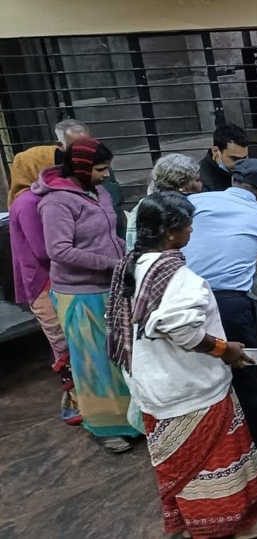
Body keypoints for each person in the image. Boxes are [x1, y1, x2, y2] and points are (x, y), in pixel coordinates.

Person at [106, 191, 257, 539]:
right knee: (216, 461)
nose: (193, 230)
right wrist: (225, 349)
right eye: (189, 224)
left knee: (184, 465)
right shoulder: (178, 279)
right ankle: (234, 525)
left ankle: (196, 522)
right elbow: (180, 327)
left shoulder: (134, 264)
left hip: (153, 382)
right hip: (191, 389)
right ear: (171, 232)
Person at [183, 158, 257, 466]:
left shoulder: (196, 201)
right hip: (230, 307)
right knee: (246, 376)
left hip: (183, 299)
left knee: (200, 377)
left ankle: (206, 456)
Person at [32, 137, 139, 452]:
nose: (106, 175)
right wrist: (112, 264)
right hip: (79, 293)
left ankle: (132, 418)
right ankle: (105, 426)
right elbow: (59, 251)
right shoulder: (56, 202)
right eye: (101, 169)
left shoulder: (98, 192)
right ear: (80, 167)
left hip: (109, 285)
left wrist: (128, 254)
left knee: (119, 355)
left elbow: (109, 235)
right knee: (94, 361)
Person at [8, 151, 80, 426]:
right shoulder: (27, 202)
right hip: (43, 280)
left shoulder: (40, 198)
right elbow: (42, 250)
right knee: (62, 341)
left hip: (53, 277)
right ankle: (74, 401)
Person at [8, 119, 126, 237]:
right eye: (76, 147)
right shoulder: (48, 197)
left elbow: (114, 207)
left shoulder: (100, 170)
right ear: (61, 146)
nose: (84, 151)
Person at [126, 154, 204, 251]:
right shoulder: (178, 209)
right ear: (183, 186)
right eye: (196, 180)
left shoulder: (145, 204)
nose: (201, 184)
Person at [199, 123, 251, 192]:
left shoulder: (247, 172)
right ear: (215, 151)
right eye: (234, 159)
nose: (241, 164)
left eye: (244, 158)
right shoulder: (201, 182)